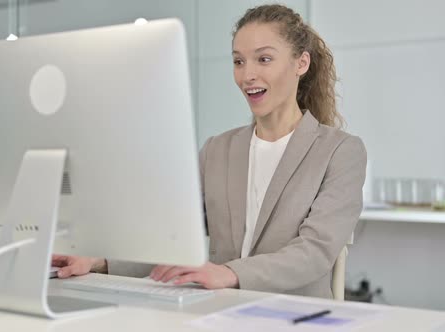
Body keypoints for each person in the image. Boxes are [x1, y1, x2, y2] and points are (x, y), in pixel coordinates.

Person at [52, 4, 366, 299]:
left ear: (302, 63)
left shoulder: (341, 151)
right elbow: (173, 237)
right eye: (239, 61)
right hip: (218, 311)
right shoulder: (218, 149)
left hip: (292, 316)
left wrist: (228, 273)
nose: (247, 75)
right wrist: (98, 260)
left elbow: (315, 252)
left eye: (264, 59)